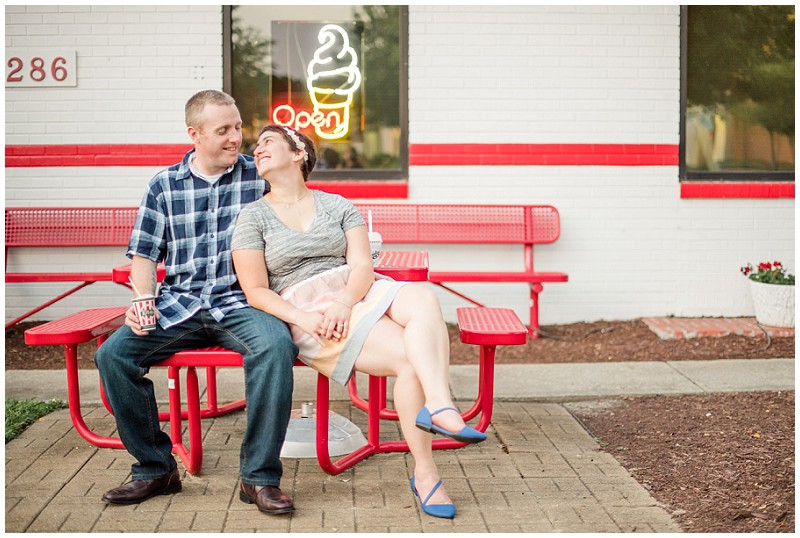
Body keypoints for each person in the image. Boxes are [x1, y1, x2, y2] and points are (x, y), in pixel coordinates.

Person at [231, 125, 486, 520]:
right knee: (409, 362)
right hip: (308, 311)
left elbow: (364, 264)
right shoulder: (252, 217)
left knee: (424, 297)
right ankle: (426, 471)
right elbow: (256, 291)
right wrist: (308, 317)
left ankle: (439, 404)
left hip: (357, 291)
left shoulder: (337, 205)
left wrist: (347, 301)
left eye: (268, 142)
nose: (257, 149)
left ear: (298, 152)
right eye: (256, 145)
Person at [94, 91, 297, 515]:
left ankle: (258, 478)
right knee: (114, 356)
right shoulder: (163, 185)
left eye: (238, 127)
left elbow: (299, 209)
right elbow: (144, 256)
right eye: (223, 130)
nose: (236, 138)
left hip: (242, 303)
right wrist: (143, 298)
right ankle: (155, 468)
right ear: (195, 134)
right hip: (179, 304)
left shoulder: (257, 178)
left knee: (276, 346)